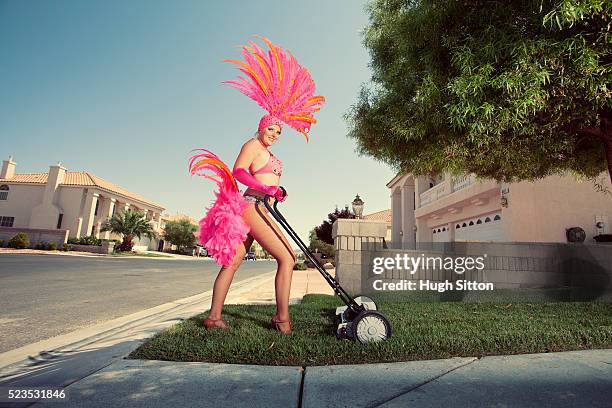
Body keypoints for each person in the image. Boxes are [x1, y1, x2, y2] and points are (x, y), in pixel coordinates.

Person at [189, 37, 325, 335]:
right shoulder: (252, 144)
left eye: (278, 130)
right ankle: (282, 318)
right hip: (254, 207)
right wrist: (268, 191)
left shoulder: (271, 153)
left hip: (265, 207)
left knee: (234, 260)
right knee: (288, 257)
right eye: (270, 129)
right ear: (261, 127)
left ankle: (213, 317)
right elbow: (239, 172)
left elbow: (268, 181)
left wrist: (278, 191)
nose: (275, 133)